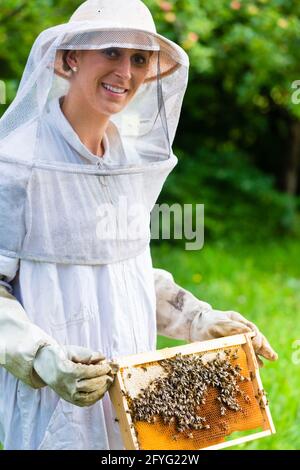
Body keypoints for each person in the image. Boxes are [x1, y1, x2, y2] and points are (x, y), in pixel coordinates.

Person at [0, 0, 277, 450]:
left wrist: (197, 319)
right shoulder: (14, 163)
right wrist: (41, 357)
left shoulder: (126, 159)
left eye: (139, 58)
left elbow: (124, 272)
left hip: (138, 398)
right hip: (55, 408)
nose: (125, 72)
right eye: (111, 52)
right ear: (70, 58)